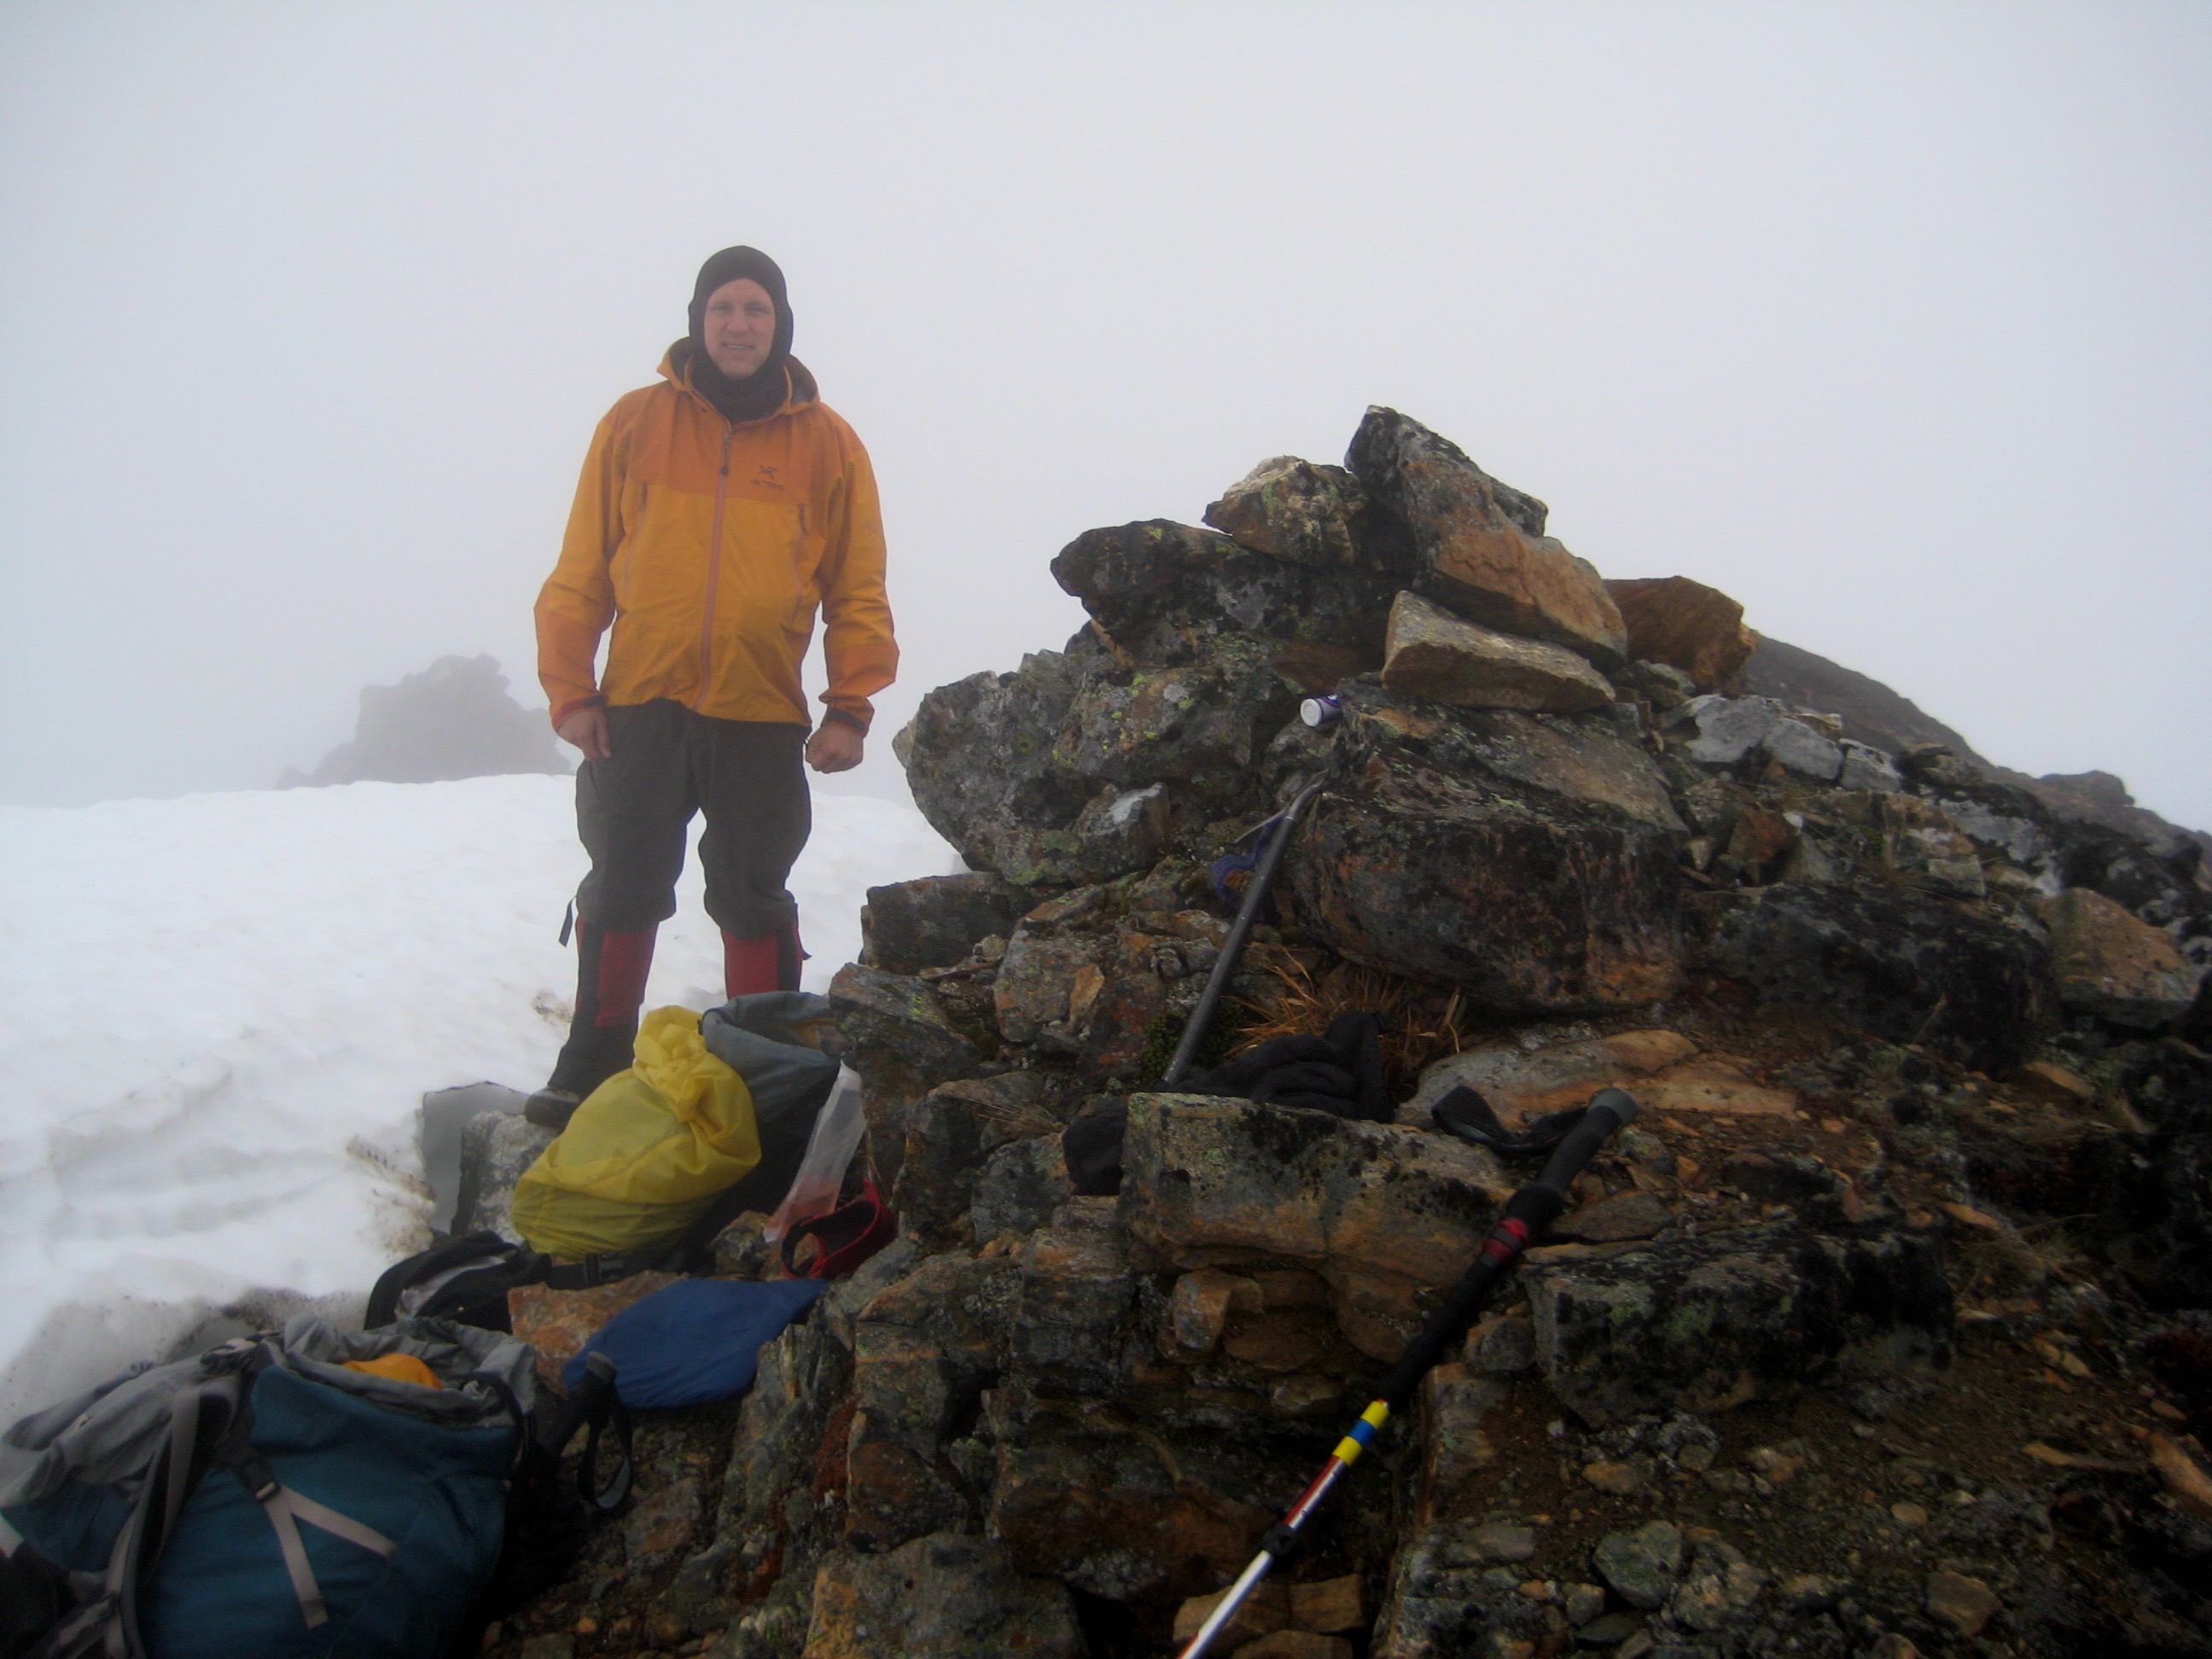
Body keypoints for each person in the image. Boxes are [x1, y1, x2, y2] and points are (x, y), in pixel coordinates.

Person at [527, 246, 895, 1128]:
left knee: (751, 890)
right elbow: (582, 568)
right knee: (623, 878)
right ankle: (592, 1060)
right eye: (724, 308)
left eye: (756, 310)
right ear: (698, 319)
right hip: (640, 704)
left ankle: (762, 1072)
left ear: (780, 325)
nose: (739, 324)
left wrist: (850, 702)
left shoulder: (829, 443)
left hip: (761, 707)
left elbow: (858, 583)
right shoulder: (635, 424)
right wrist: (572, 689)